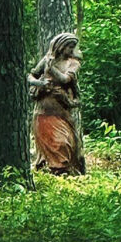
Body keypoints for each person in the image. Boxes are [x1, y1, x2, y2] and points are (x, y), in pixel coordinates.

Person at [28, 32, 85, 175]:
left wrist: (51, 69)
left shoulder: (73, 63)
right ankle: (52, 171)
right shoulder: (47, 59)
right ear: (60, 46)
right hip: (44, 108)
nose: (71, 50)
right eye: (69, 47)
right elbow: (31, 75)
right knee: (47, 141)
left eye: (73, 47)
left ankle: (65, 171)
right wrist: (39, 83)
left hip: (61, 109)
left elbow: (65, 79)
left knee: (64, 142)